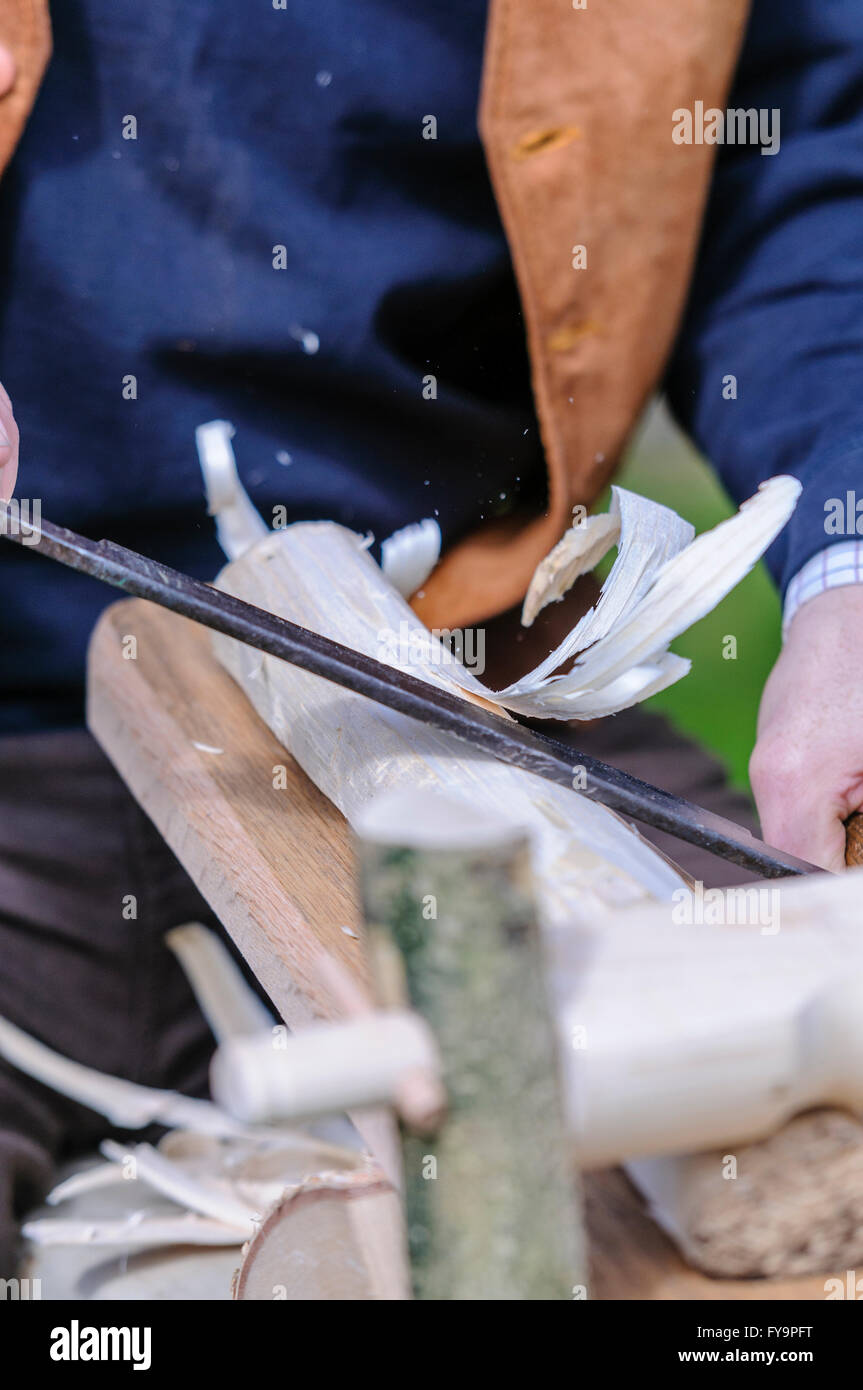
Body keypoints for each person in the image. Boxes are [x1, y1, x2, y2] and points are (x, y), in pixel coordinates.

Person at [0, 0, 860, 1278]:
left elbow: (790, 171)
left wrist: (844, 574)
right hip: (19, 725)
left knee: (796, 1120)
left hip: (476, 690)